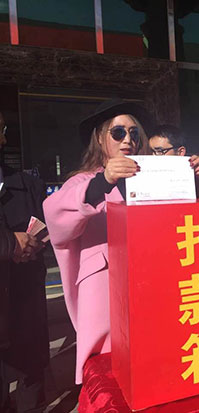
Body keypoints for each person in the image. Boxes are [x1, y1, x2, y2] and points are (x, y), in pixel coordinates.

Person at [43, 99, 154, 384]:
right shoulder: (83, 182)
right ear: (100, 138)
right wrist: (103, 181)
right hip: (105, 293)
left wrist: (193, 179)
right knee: (107, 376)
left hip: (148, 287)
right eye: (118, 132)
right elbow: (55, 215)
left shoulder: (151, 179)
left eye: (133, 133)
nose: (127, 140)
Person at [0, 111, 49, 412]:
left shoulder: (26, 184)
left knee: (30, 382)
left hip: (25, 305)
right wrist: (8, 243)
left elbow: (46, 226)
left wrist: (33, 246)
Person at [148, 124, 199, 197]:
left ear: (180, 152)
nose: (153, 156)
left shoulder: (190, 176)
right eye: (151, 151)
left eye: (160, 151)